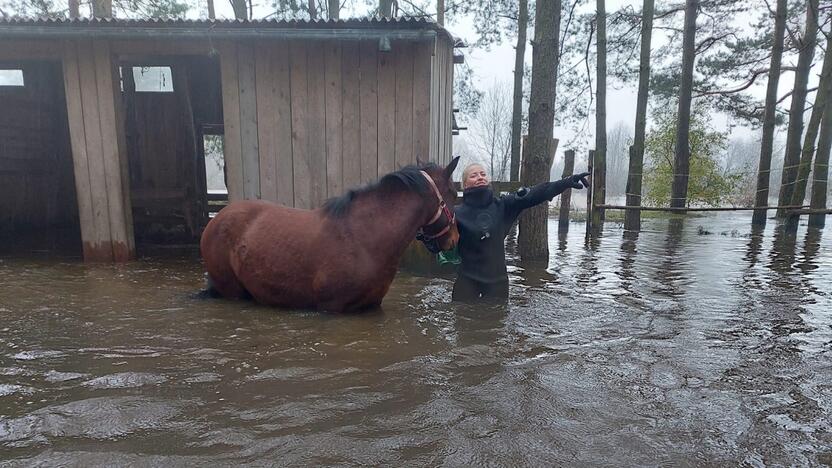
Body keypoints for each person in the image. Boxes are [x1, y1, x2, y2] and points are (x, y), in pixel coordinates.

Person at [452, 163, 590, 302]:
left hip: (496, 284)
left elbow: (535, 193)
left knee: (496, 321)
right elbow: (436, 239)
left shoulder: (503, 205)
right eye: (474, 175)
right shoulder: (455, 214)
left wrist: (565, 182)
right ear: (465, 184)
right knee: (462, 319)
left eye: (483, 174)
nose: (480, 177)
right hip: (467, 282)